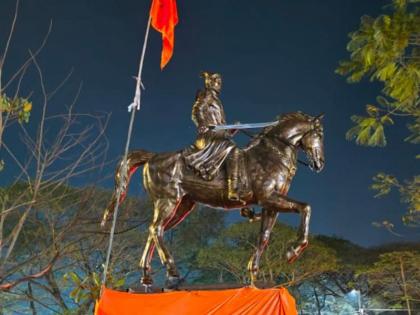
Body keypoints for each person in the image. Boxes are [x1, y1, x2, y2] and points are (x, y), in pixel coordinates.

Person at [184, 72, 241, 202]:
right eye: (217, 82)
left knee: (233, 148)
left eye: (220, 82)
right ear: (209, 83)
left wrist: (232, 130)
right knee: (232, 149)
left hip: (219, 135)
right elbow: (196, 110)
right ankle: (232, 188)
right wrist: (201, 123)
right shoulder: (207, 95)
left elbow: (222, 128)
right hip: (209, 136)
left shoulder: (216, 100)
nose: (219, 85)